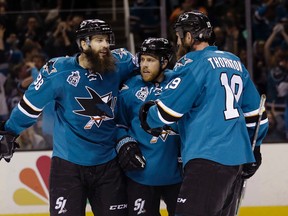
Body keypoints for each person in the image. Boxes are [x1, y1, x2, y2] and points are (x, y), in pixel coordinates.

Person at [0, 19, 137, 216]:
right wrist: (10, 131)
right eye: (99, 40)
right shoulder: (59, 71)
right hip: (68, 168)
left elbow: (148, 70)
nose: (106, 45)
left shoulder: (121, 63)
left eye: (107, 40)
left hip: (108, 165)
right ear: (83, 44)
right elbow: (29, 107)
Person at [139, 11, 269, 216]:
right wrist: (256, 149)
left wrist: (148, 115)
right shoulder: (235, 62)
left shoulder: (193, 64)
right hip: (236, 162)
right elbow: (256, 115)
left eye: (180, 36)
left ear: (190, 37)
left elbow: (167, 113)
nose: (179, 41)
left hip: (207, 158)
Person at [116, 37, 182, 215]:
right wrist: (123, 141)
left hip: (178, 175)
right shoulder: (129, 88)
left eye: (150, 60)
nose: (144, 65)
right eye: (142, 59)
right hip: (141, 174)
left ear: (164, 61)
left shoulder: (180, 84)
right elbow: (117, 123)